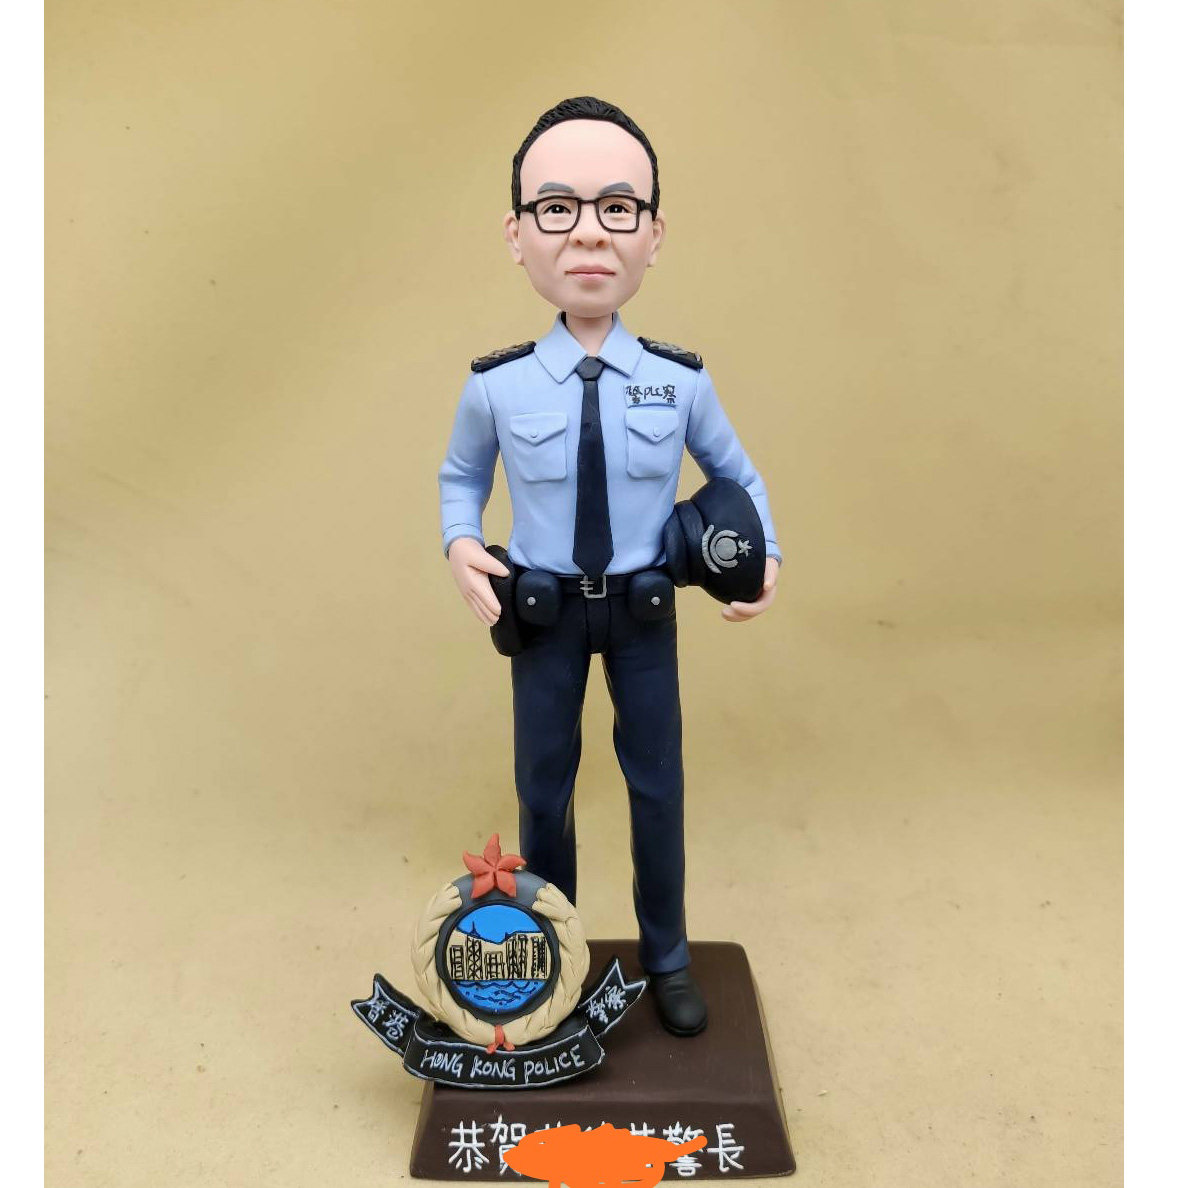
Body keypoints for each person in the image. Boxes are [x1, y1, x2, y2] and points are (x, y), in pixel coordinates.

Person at [438, 96, 781, 1036]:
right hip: (543, 614)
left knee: (657, 788)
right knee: (544, 790)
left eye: (617, 208)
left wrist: (767, 556)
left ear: (653, 234)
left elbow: (738, 476)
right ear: (517, 234)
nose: (589, 233)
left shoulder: (679, 379)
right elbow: (462, 477)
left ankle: (667, 956)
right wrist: (461, 543)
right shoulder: (497, 384)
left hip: (643, 612)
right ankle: (555, 959)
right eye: (558, 208)